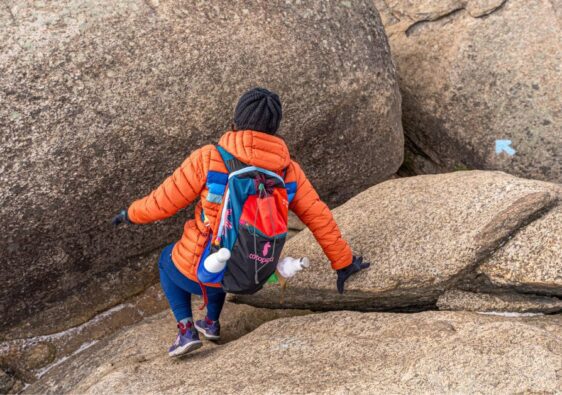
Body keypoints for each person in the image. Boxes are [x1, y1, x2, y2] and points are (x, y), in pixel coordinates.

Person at [113, 88, 369, 357]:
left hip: (200, 271)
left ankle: (186, 330)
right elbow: (320, 217)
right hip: (252, 271)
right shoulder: (289, 171)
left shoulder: (209, 158)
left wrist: (129, 214)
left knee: (167, 261)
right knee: (233, 252)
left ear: (235, 119)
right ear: (274, 127)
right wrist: (343, 263)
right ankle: (211, 323)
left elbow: (160, 204)